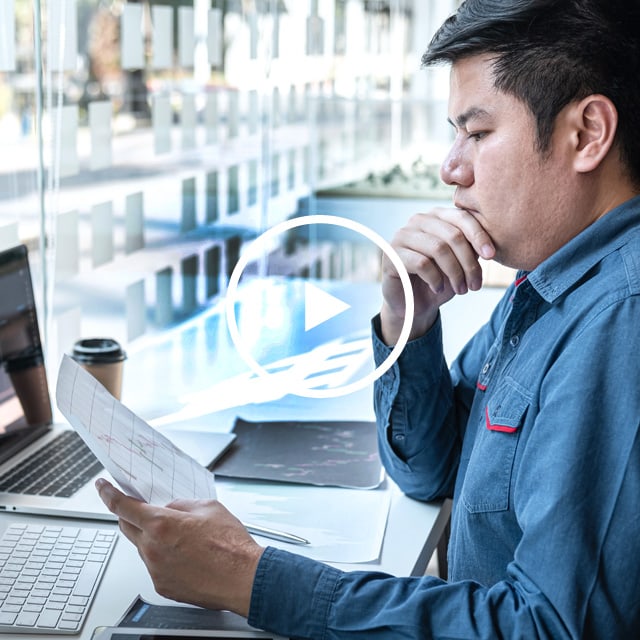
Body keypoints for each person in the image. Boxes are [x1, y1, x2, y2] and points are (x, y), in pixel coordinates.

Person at [96, 0, 640, 637]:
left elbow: (546, 630)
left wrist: (249, 579)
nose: (451, 167)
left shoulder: (617, 320)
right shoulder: (547, 283)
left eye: (478, 132)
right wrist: (406, 317)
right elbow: (428, 469)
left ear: (586, 135)